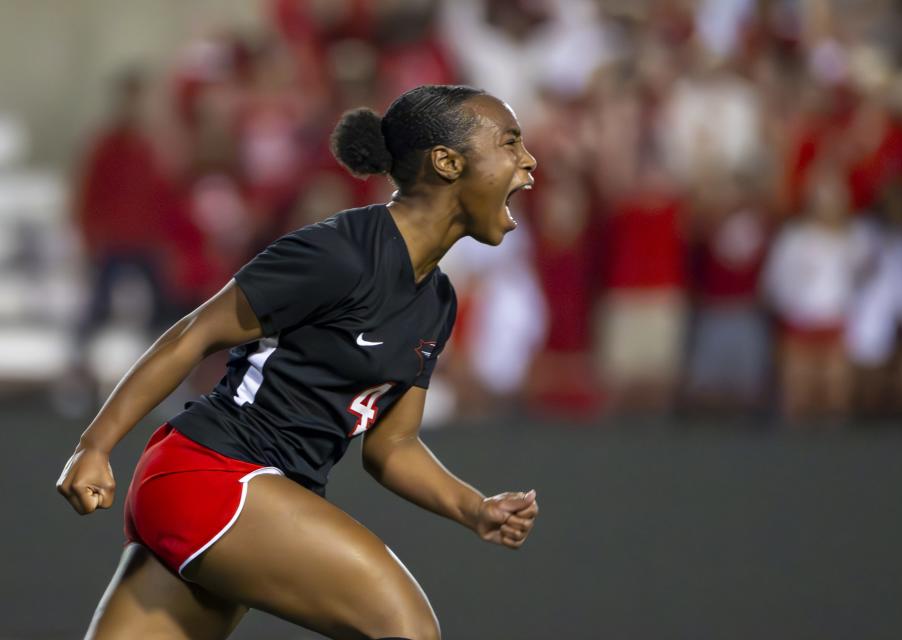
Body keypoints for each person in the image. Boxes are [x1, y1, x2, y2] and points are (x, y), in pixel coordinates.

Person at [56, 84, 540, 640]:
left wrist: (474, 509)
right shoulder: (341, 252)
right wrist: (94, 446)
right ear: (448, 162)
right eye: (510, 143)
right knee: (405, 628)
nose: (528, 161)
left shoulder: (437, 302)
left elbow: (392, 446)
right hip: (216, 476)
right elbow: (194, 335)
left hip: (248, 494)